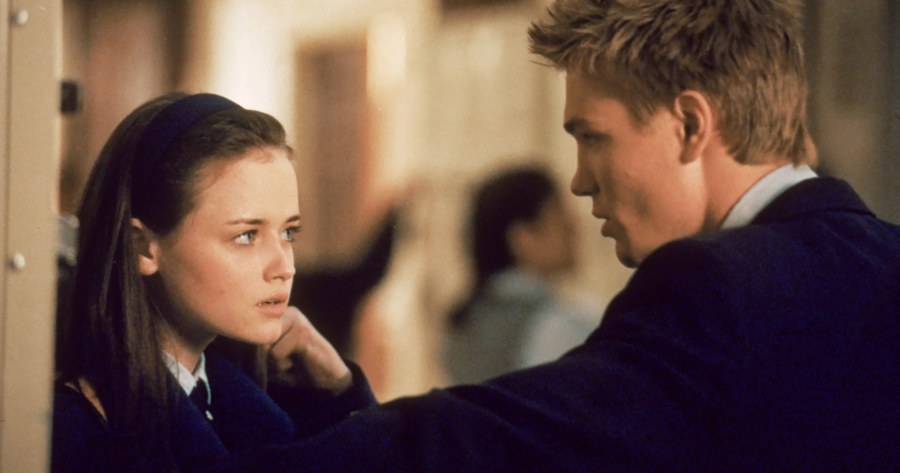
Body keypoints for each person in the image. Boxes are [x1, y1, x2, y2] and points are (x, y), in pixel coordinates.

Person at [195, 1, 899, 471]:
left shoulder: (719, 288)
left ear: (689, 125)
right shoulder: (880, 259)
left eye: (592, 138)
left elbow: (495, 445)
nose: (580, 181)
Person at [52, 93, 376, 472]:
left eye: (288, 232)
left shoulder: (262, 406)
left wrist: (340, 391)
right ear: (143, 247)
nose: (284, 267)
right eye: (246, 236)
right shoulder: (76, 431)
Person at [444, 166, 597, 384]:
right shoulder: (562, 326)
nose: (574, 229)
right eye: (561, 218)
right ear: (523, 238)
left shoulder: (463, 326)